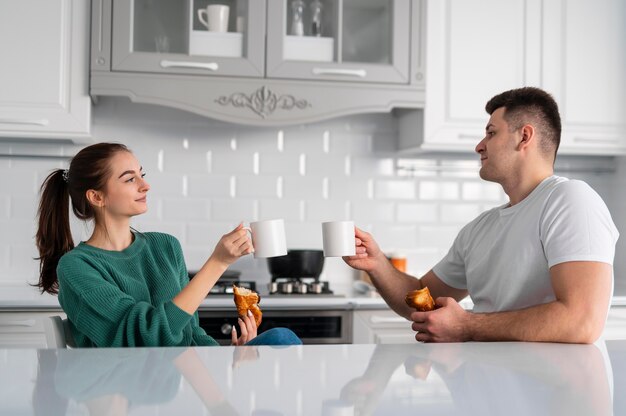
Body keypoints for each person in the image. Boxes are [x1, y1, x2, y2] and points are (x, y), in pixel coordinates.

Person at [344, 87, 619, 344]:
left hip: (549, 394)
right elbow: (421, 296)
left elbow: (582, 320)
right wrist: (377, 264)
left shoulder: (570, 200)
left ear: (524, 137)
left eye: (491, 133)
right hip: (485, 388)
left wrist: (466, 326)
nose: (479, 145)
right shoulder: (480, 229)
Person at [35, 142, 301, 348]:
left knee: (280, 340)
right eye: (130, 179)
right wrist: (218, 262)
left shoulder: (165, 247)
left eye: (142, 175)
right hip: (131, 392)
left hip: (183, 383)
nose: (145, 185)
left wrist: (225, 356)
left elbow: (190, 333)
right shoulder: (77, 267)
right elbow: (146, 338)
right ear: (96, 196)